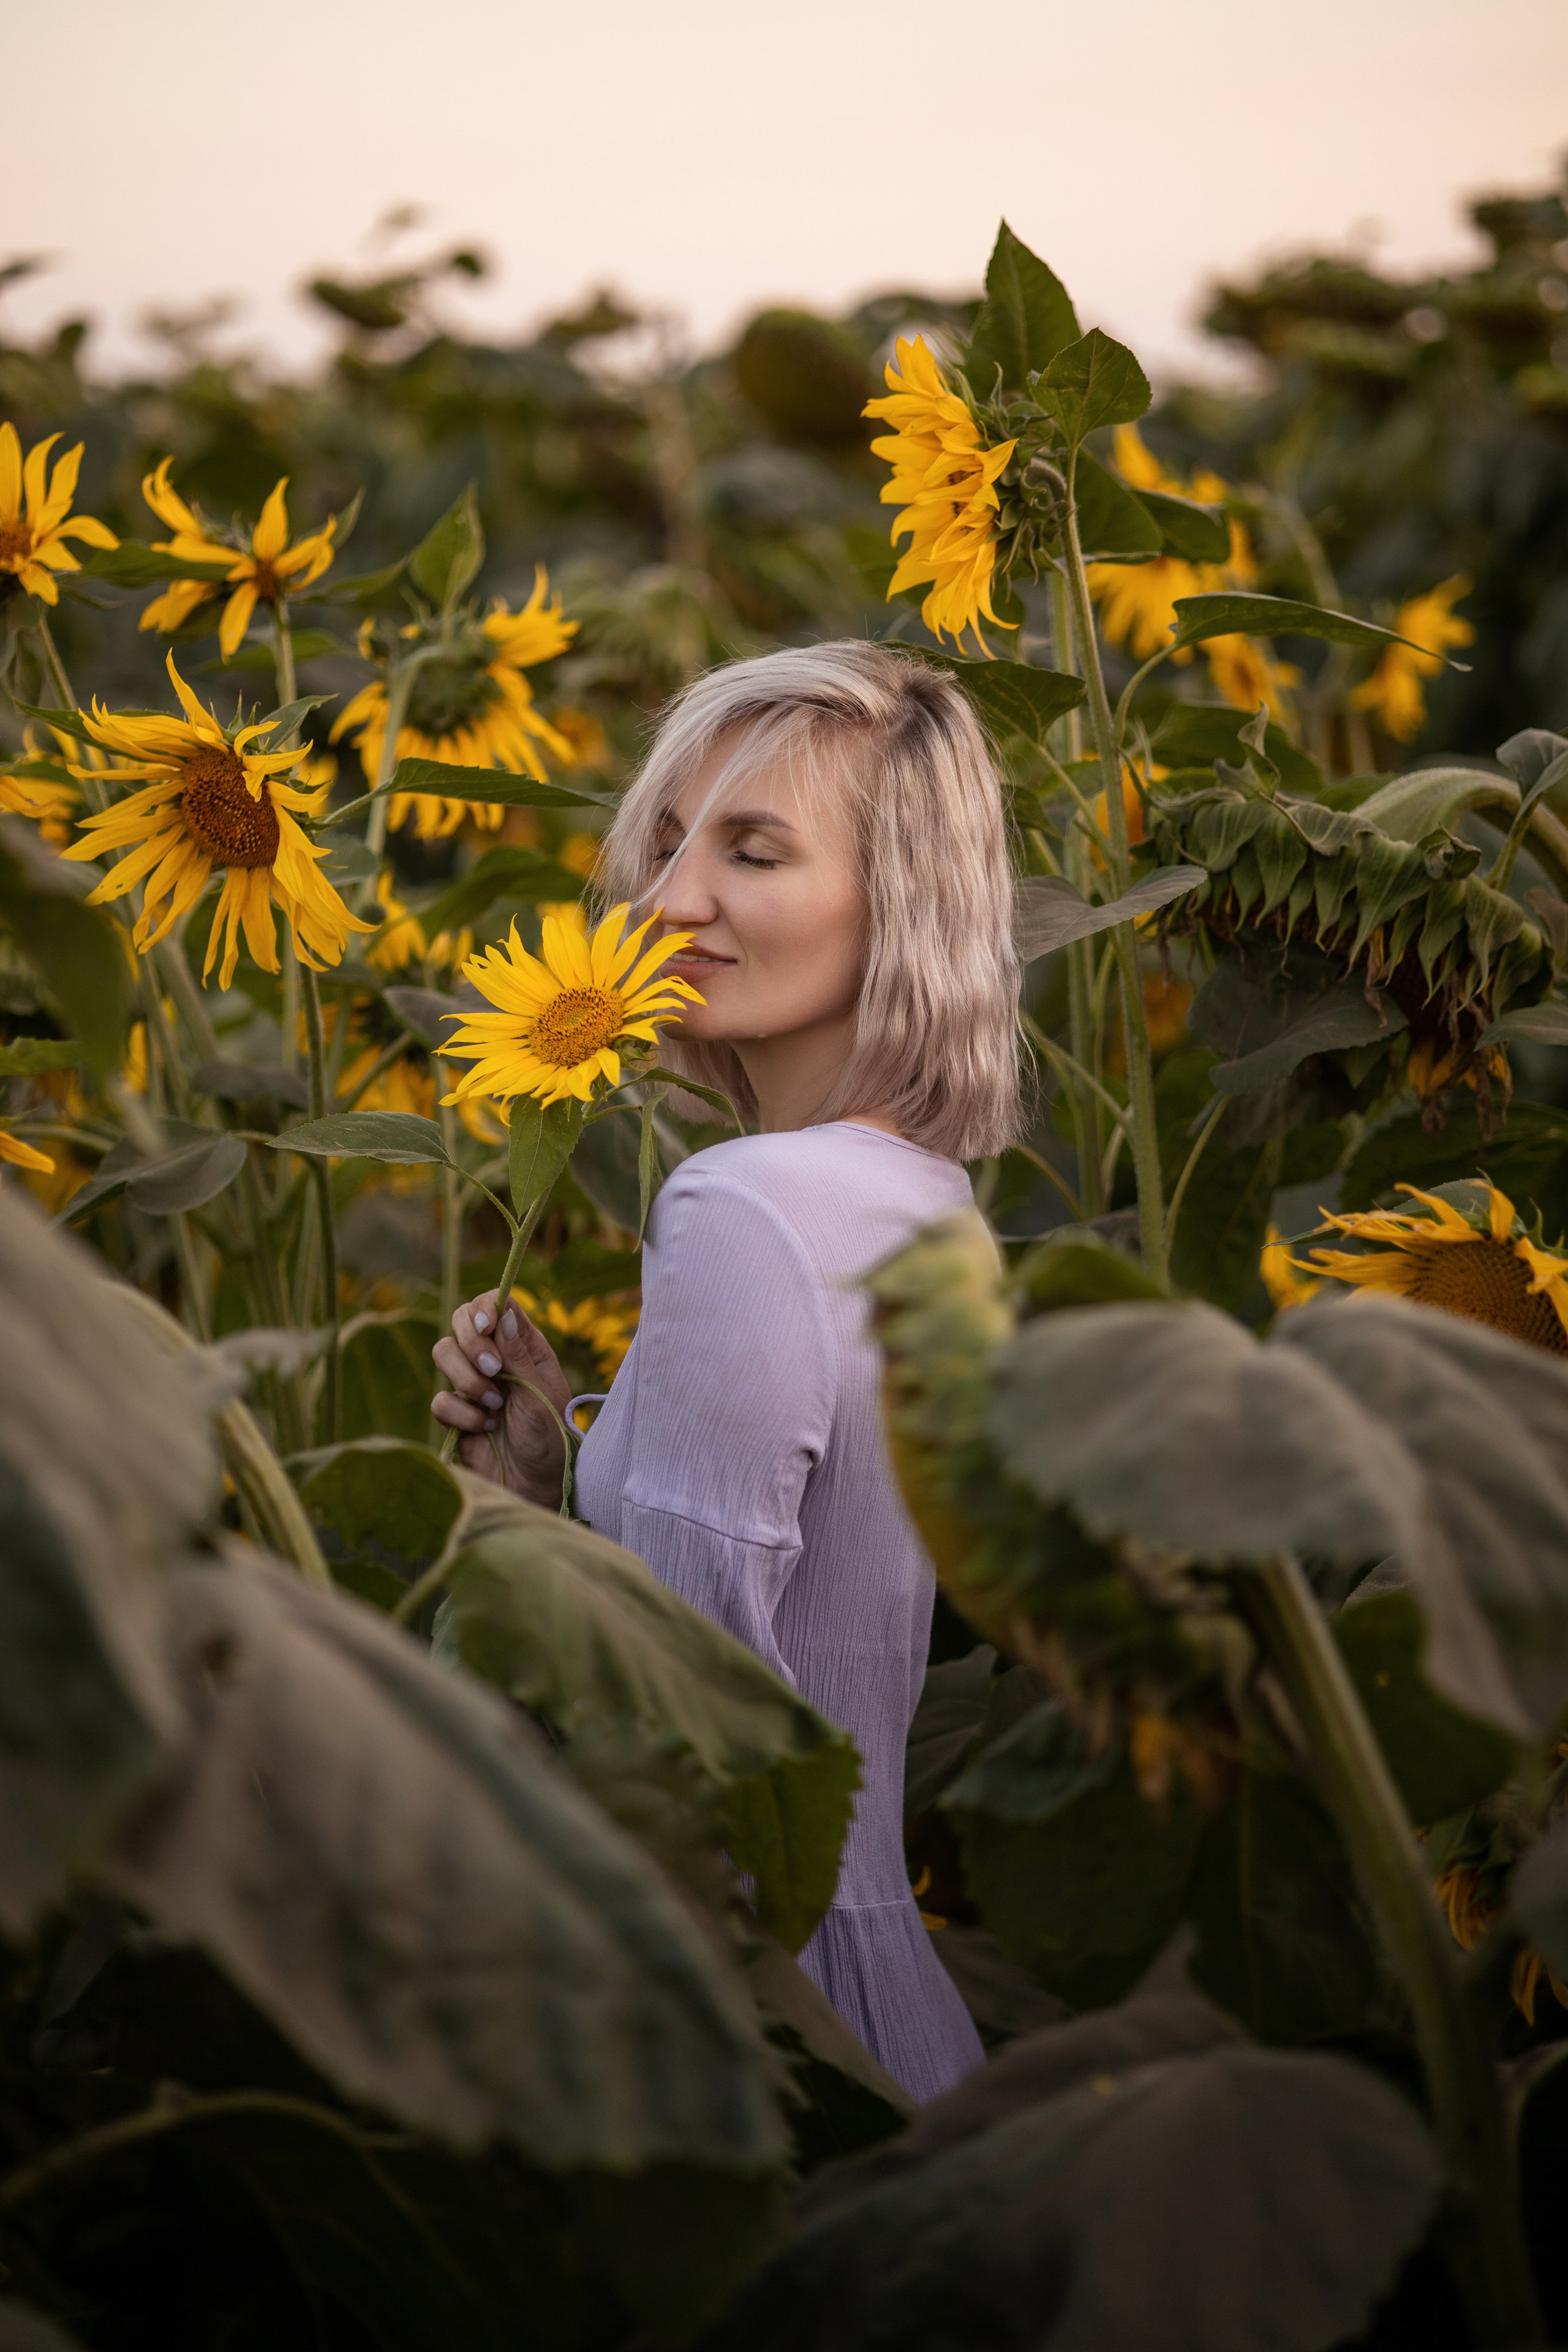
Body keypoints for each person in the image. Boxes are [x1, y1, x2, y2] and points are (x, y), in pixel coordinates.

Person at [432, 640, 1019, 2103]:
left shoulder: (739, 1206)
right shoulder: (925, 1203)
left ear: (900, 907)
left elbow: (672, 1748)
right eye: (669, 839)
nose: (668, 897)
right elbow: (793, 1605)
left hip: (740, 2030)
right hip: (883, 2000)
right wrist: (559, 1474)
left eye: (752, 851)